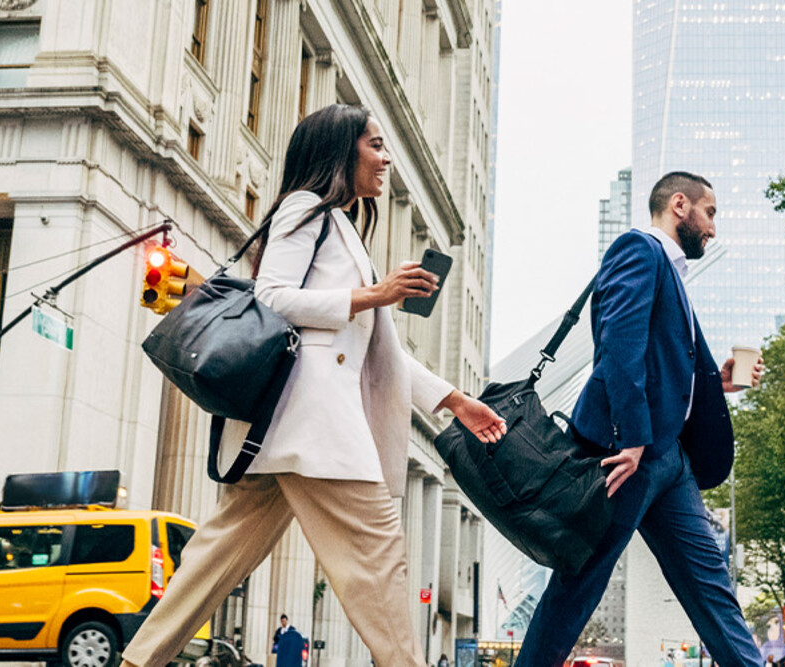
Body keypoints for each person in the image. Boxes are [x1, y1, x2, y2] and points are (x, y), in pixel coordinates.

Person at [120, 103, 506, 667]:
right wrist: (374, 294)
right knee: (379, 562)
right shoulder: (305, 209)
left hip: (279, 434)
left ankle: (137, 661)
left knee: (213, 559)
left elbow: (382, 353)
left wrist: (453, 400)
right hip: (315, 429)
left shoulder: (339, 225)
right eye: (374, 145)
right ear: (339, 151)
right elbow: (273, 296)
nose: (385, 158)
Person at [515, 172, 766, 667]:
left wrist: (718, 380)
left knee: (711, 585)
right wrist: (630, 439)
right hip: (627, 455)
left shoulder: (671, 270)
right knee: (580, 584)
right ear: (680, 205)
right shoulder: (639, 250)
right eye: (709, 213)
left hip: (669, 459)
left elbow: (660, 365)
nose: (713, 228)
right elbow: (618, 349)